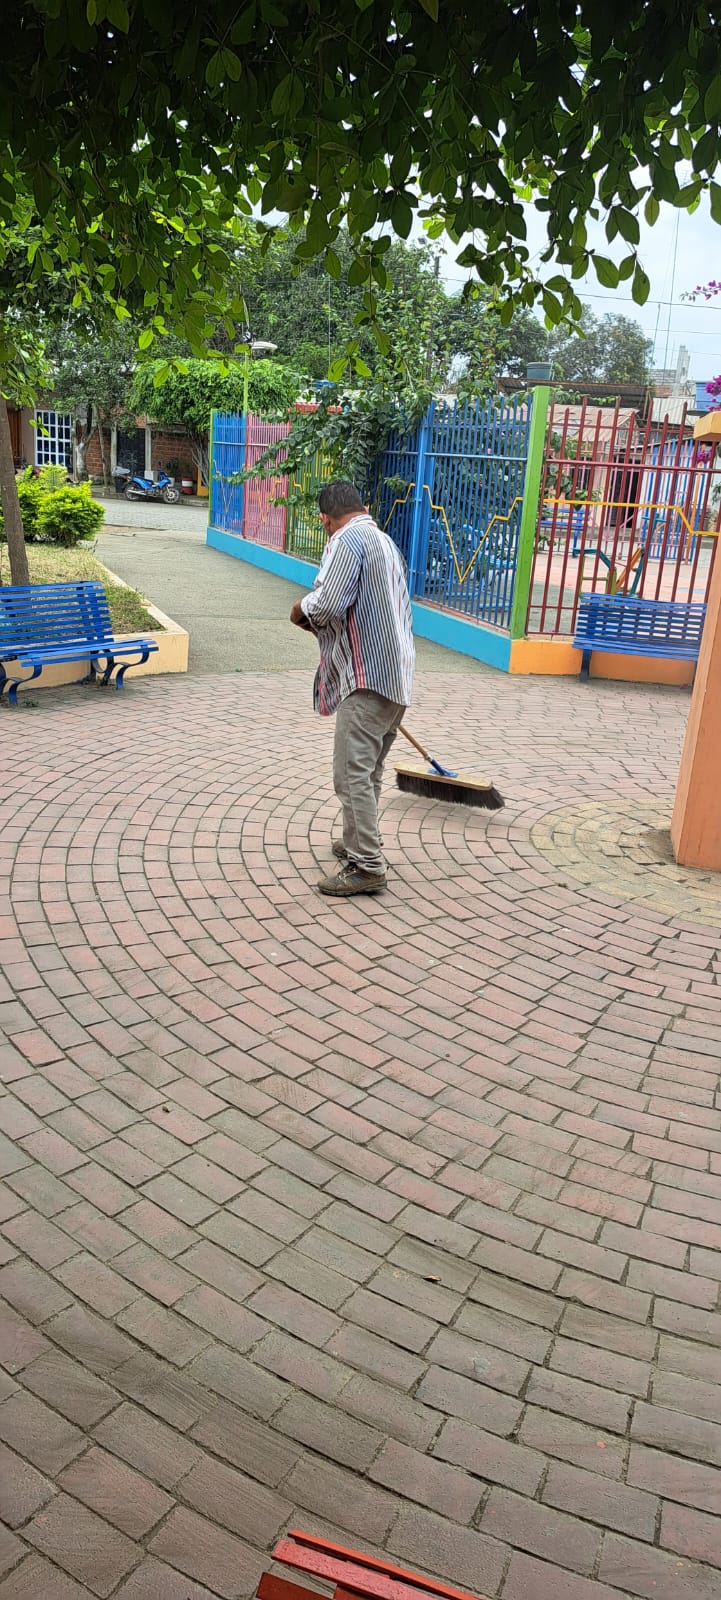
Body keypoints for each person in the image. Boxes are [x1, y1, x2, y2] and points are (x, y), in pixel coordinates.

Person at [290, 480, 415, 896]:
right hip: (396, 676)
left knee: (350, 775)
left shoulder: (347, 541)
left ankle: (367, 866)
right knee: (368, 772)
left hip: (367, 678)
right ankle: (357, 842)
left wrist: (300, 608)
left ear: (326, 519)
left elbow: (327, 604)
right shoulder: (385, 542)